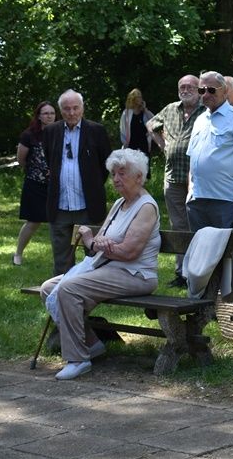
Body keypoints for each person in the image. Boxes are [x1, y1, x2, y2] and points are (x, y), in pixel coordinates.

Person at [40, 149, 160, 380]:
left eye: (122, 173)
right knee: (48, 288)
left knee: (69, 288)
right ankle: (91, 344)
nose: (115, 179)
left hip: (136, 274)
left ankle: (77, 359)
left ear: (139, 176)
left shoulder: (146, 207)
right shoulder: (118, 204)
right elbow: (98, 242)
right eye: (113, 173)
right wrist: (95, 241)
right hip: (107, 267)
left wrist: (95, 242)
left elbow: (129, 252)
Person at [43, 89, 113, 276]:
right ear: (60, 110)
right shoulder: (50, 132)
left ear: (82, 108)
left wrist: (93, 185)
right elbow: (49, 160)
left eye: (75, 108)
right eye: (67, 109)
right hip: (59, 205)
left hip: (88, 205)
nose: (72, 113)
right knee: (61, 257)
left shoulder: (96, 130)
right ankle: (60, 293)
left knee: (94, 253)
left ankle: (95, 289)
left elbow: (106, 165)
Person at [146, 74, 205, 287]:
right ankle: (181, 273)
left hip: (198, 177)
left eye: (190, 86)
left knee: (197, 224)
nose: (186, 89)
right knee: (178, 224)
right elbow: (151, 124)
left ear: (199, 89)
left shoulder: (206, 109)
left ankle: (197, 272)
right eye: (182, 86)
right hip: (173, 177)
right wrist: (163, 145)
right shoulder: (171, 109)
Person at [186, 71, 233, 231]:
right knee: (200, 252)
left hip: (225, 199)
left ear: (224, 91)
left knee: (225, 252)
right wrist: (190, 190)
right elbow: (193, 159)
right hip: (197, 199)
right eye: (202, 90)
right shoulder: (199, 119)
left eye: (211, 90)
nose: (206, 94)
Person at [13, 101, 56, 266]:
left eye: (52, 113)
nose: (49, 116)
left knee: (59, 222)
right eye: (45, 113)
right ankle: (18, 253)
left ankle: (60, 257)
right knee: (33, 221)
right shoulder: (29, 135)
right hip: (35, 183)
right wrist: (37, 171)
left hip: (56, 185)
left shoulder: (60, 132)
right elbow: (21, 159)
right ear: (39, 116)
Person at [119, 88, 155, 157]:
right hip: (130, 147)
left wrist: (145, 110)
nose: (141, 99)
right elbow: (122, 129)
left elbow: (154, 120)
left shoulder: (144, 113)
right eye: (138, 97)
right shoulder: (126, 113)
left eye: (141, 97)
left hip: (144, 146)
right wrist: (125, 143)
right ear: (133, 99)